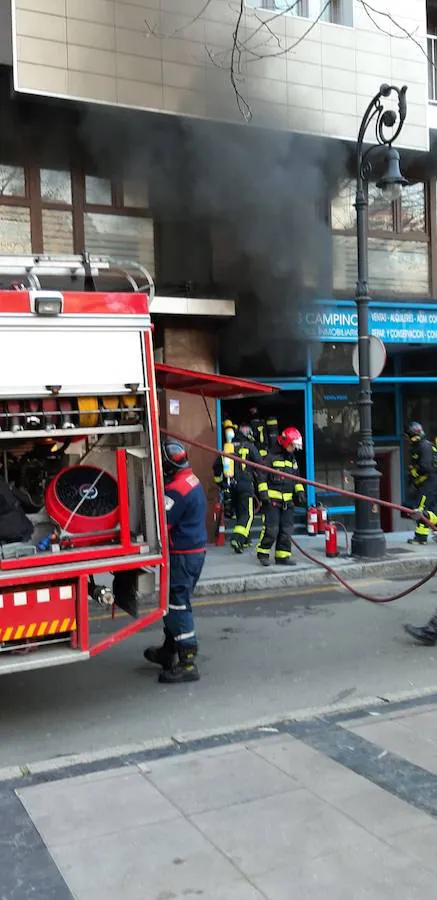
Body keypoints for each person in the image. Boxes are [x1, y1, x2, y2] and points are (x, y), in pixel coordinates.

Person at [144, 439, 207, 683]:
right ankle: (169, 651)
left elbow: (163, 525)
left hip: (183, 555)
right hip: (191, 552)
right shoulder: (191, 480)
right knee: (172, 604)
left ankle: (187, 661)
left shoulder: (177, 490)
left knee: (177, 605)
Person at [256, 426, 306, 567]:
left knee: (286, 530)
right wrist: (263, 493)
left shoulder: (292, 459)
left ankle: (282, 556)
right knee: (272, 530)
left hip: (288, 502)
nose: (293, 449)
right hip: (272, 502)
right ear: (285, 443)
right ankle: (263, 553)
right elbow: (261, 476)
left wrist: (300, 492)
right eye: (292, 445)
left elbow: (296, 478)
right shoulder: (270, 457)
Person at [213, 423, 267, 553]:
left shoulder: (228, 447)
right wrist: (262, 489)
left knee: (239, 513)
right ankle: (237, 539)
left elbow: (216, 466)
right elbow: (260, 467)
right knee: (248, 514)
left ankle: (246, 541)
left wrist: (221, 483)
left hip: (232, 486)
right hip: (245, 485)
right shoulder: (250, 446)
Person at [404, 421, 437, 545]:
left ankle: (420, 537)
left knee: (420, 510)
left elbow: (426, 467)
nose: (408, 440)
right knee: (429, 511)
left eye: (408, 437)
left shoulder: (424, 447)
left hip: (429, 484)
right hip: (428, 484)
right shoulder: (422, 446)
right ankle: (424, 535)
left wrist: (414, 472)